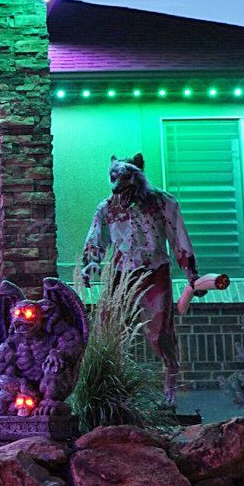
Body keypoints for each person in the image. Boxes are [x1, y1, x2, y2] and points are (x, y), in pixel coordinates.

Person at [81, 153, 199, 405]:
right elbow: (96, 238)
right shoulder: (107, 207)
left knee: (158, 331)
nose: (119, 190)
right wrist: (90, 264)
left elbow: (178, 238)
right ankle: (114, 391)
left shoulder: (162, 202)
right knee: (110, 328)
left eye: (124, 181)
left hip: (154, 272)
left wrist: (190, 270)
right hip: (121, 273)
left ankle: (169, 388)